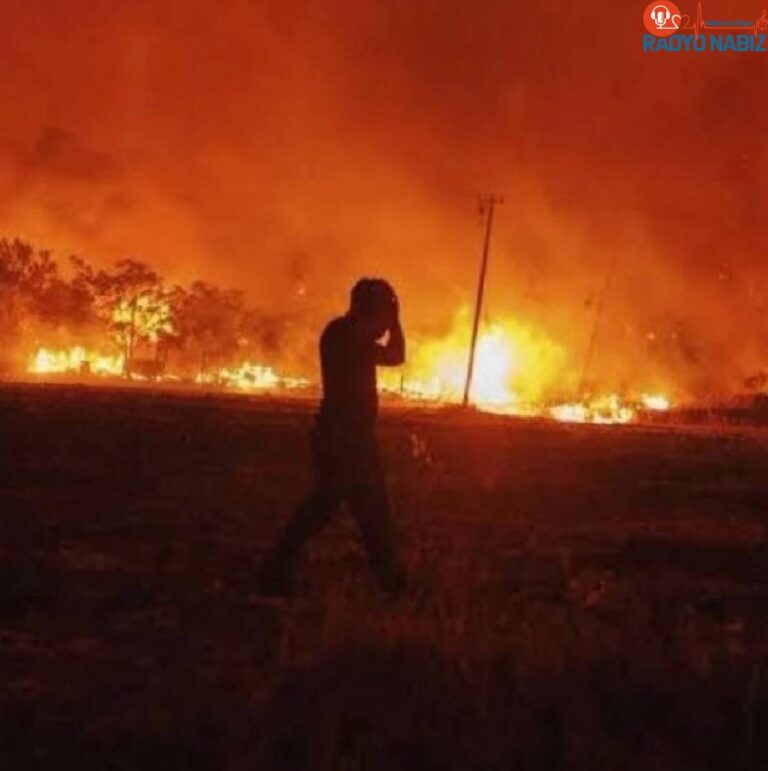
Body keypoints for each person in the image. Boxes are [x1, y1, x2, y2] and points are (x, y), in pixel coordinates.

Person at [258, 278, 407, 597]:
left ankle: (276, 568)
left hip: (350, 438)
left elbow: (395, 356)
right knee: (365, 510)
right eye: (381, 313)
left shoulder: (348, 334)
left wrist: (392, 320)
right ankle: (390, 582)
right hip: (343, 439)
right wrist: (394, 321)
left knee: (339, 506)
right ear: (366, 310)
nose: (383, 324)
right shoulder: (345, 335)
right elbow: (395, 355)